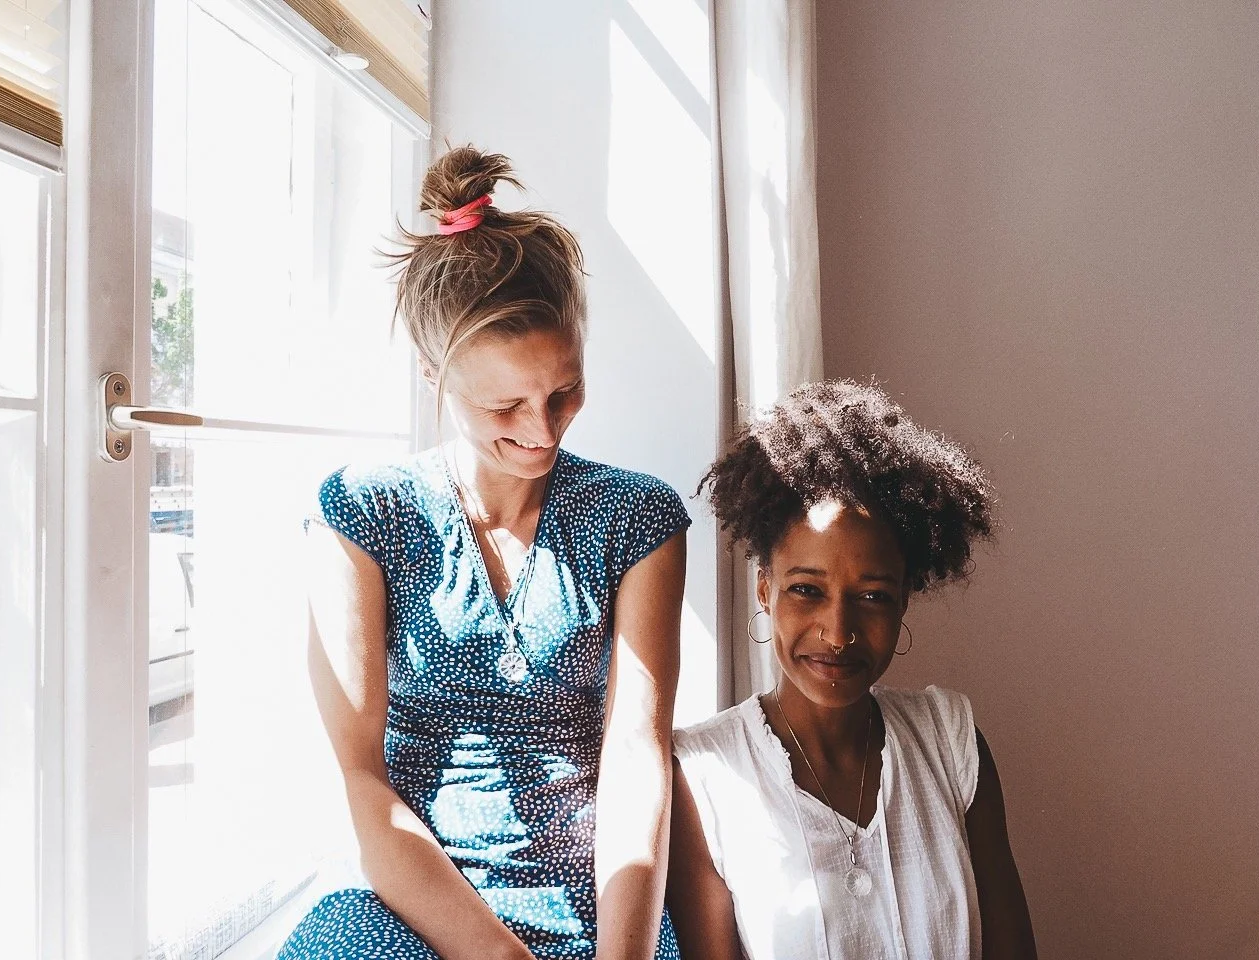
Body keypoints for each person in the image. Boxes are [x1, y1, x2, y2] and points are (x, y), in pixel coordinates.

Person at [279, 146, 689, 960]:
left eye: (563, 391)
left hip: (598, 910)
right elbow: (362, 780)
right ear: (434, 373)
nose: (542, 429)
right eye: (504, 403)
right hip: (410, 903)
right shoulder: (363, 512)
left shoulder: (637, 516)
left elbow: (638, 754)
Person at [666, 380, 1035, 960]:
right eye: (807, 590)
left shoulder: (950, 741)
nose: (838, 633)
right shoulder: (706, 776)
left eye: (873, 596)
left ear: (905, 599)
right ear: (766, 590)